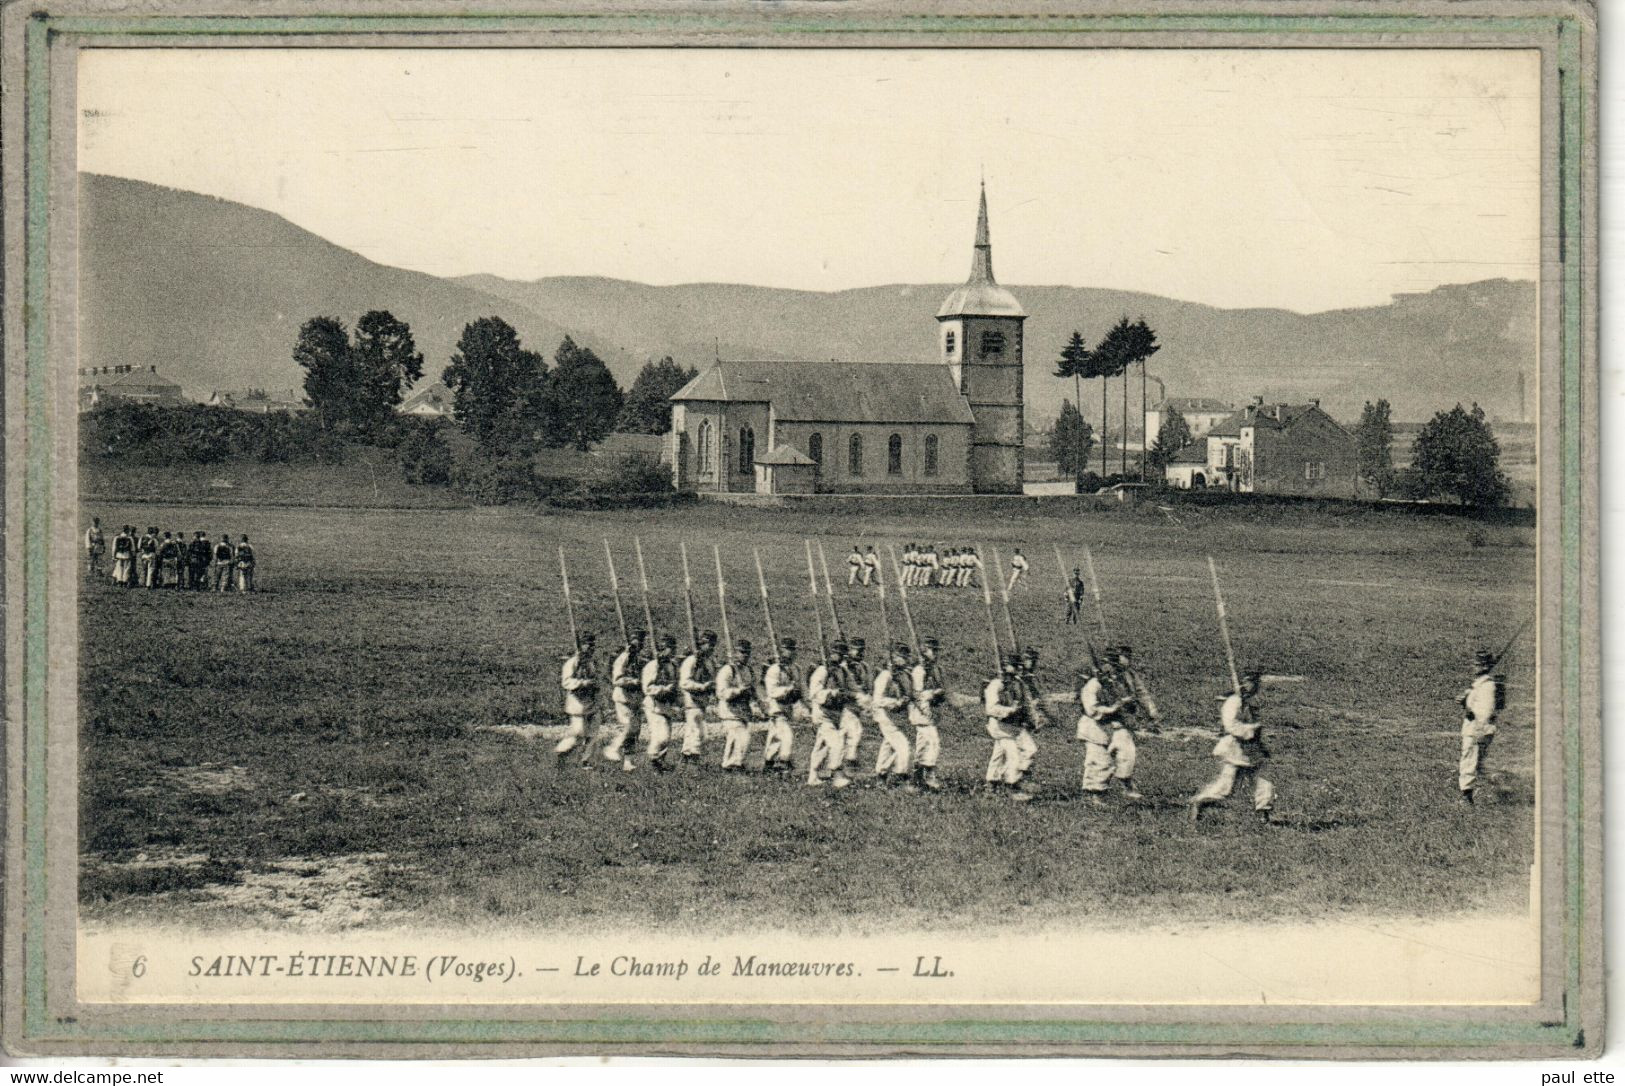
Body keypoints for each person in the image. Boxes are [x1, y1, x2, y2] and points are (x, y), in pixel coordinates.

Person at [1188, 669, 1275, 824]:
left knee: (1264, 781)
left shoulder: (1252, 701)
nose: (1255, 685)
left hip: (1252, 750)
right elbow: (1230, 725)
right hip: (1234, 749)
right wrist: (1251, 730)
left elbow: (1256, 724)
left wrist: (1260, 741)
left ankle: (1264, 815)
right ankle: (1199, 803)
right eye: (1251, 682)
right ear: (1243, 683)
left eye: (1256, 682)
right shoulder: (1234, 702)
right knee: (1226, 789)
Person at [1077, 658, 1135, 806]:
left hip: (1107, 728)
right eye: (1108, 669)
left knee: (1113, 758)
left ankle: (1104, 791)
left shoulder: (1113, 684)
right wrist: (1113, 708)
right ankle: (1093, 796)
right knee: (1099, 761)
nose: (1111, 673)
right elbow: (1092, 709)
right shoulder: (1092, 686)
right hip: (1092, 727)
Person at [1457, 649, 1504, 805]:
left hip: (1477, 730)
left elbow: (1485, 711)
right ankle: (1501, 787)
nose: (1473, 667)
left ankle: (1467, 797)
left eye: (1477, 664)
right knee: (1477, 763)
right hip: (1475, 729)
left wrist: (1470, 712)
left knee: (1470, 761)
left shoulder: (1487, 687)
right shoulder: (1479, 684)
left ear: (1484, 667)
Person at [870, 642, 916, 791]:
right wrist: (895, 702)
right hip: (885, 717)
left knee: (888, 745)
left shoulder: (904, 675)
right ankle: (902, 778)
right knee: (904, 747)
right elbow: (877, 700)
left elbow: (910, 694)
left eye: (906, 657)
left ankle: (881, 776)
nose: (905, 660)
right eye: (902, 657)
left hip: (899, 717)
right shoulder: (885, 676)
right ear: (894, 658)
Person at [805, 640, 852, 788]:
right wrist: (832, 693)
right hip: (822, 713)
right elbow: (814, 693)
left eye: (842, 655)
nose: (840, 657)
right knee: (837, 742)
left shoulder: (843, 671)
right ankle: (837, 774)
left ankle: (813, 776)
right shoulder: (822, 670)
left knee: (822, 746)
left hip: (836, 713)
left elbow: (852, 688)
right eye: (837, 654)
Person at [983, 653, 1029, 800]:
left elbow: (1024, 702)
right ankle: (1012, 786)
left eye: (1018, 666)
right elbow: (991, 709)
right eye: (1014, 666)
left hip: (1012, 726)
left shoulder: (1018, 683)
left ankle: (991, 784)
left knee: (999, 755)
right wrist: (1009, 710)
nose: (1018, 669)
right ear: (1006, 667)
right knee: (1014, 755)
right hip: (999, 726)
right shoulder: (996, 685)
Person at [604, 629, 648, 771]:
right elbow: (617, 679)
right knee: (628, 726)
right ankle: (613, 748)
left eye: (641, 641)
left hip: (635, 699)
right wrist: (634, 681)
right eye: (637, 641)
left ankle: (628, 762)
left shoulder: (638, 659)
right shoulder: (623, 658)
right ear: (630, 642)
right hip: (623, 697)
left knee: (635, 730)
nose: (640, 644)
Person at [715, 639, 759, 771]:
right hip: (730, 711)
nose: (745, 655)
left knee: (741, 739)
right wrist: (739, 690)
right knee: (739, 737)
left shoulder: (748, 670)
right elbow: (722, 693)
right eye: (742, 652)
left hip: (743, 711)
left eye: (747, 653)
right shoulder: (728, 670)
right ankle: (730, 765)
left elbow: (755, 690)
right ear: (735, 653)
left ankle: (735, 764)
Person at [908, 636, 946, 792]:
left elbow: (944, 690)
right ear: (924, 651)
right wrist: (931, 695)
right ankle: (930, 776)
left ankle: (915, 780)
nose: (935, 654)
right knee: (933, 742)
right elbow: (917, 695)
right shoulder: (919, 671)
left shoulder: (937, 669)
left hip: (931, 712)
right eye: (932, 650)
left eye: (937, 651)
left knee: (923, 745)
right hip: (921, 712)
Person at [556, 633, 600, 766]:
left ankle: (586, 761)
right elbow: (566, 682)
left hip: (592, 703)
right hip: (577, 704)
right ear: (581, 646)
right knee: (578, 734)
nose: (591, 648)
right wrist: (583, 683)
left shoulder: (591, 663)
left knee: (593, 735)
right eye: (588, 645)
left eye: (593, 645)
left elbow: (596, 679)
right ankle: (561, 752)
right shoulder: (572, 663)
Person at [761, 637, 802, 775]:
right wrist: (788, 689)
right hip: (776, 707)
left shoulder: (795, 668)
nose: (790, 653)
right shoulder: (774, 669)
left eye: (792, 650)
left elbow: (800, 689)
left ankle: (769, 763)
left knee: (775, 737)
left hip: (788, 707)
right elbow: (772, 691)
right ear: (781, 651)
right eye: (787, 650)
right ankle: (784, 761)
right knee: (787, 735)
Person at [640, 634, 681, 770]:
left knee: (667, 737)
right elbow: (647, 688)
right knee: (661, 736)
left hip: (666, 705)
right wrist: (664, 688)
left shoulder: (673, 665)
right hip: (654, 705)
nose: (673, 650)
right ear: (662, 649)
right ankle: (653, 760)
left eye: (674, 647)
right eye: (670, 648)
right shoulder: (653, 666)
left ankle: (660, 763)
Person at [677, 631, 718, 764]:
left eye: (713, 645)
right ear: (701, 644)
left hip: (702, 700)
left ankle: (685, 759)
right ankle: (694, 760)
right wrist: (701, 687)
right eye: (708, 645)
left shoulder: (709, 661)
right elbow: (684, 682)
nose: (711, 648)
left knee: (692, 730)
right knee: (698, 731)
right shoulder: (691, 661)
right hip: (691, 699)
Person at [837, 637, 872, 773]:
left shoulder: (864, 666)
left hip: (858, 705)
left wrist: (866, 697)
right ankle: (850, 761)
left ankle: (840, 763)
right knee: (855, 731)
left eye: (861, 650)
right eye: (855, 650)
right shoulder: (843, 667)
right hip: (846, 705)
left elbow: (868, 685)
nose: (858, 653)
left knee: (845, 734)